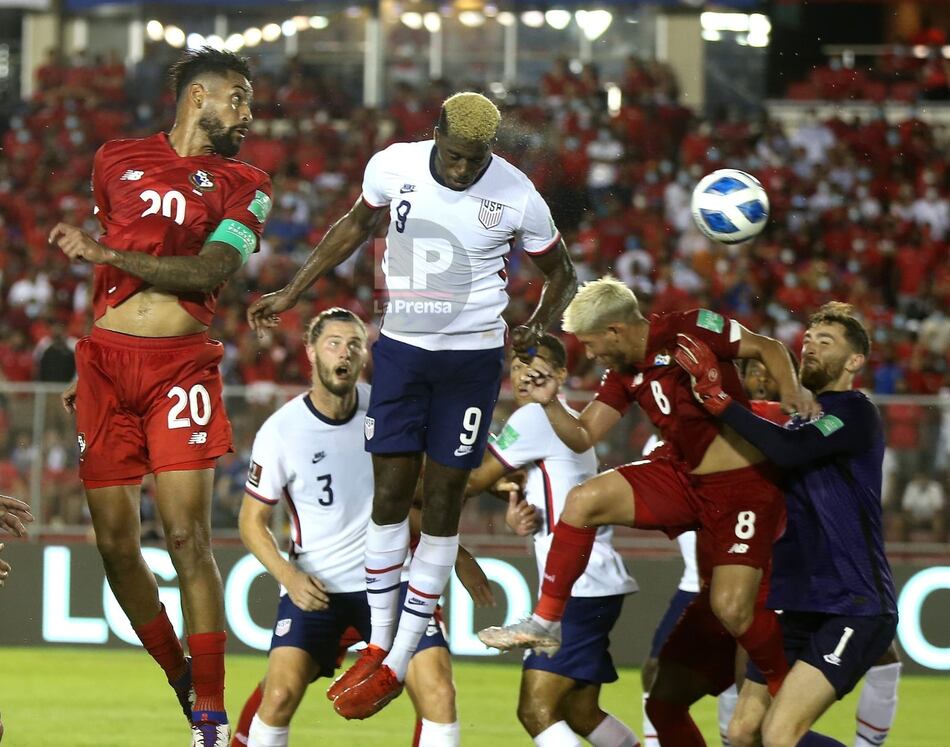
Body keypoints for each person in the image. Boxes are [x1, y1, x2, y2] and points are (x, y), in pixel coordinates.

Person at [247, 91, 577, 720]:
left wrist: (538, 325)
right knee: (391, 495)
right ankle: (379, 641)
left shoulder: (517, 194)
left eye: (474, 159)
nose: (461, 170)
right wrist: (293, 291)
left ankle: (392, 659)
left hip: (472, 363)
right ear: (435, 135)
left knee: (446, 500)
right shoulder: (392, 164)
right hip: (401, 351)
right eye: (453, 156)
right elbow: (354, 226)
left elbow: (563, 273)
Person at [478, 276, 819, 746]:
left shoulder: (692, 328)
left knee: (732, 609)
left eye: (594, 345)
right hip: (680, 474)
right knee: (583, 502)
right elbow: (582, 436)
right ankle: (547, 622)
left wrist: (792, 399)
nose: (592, 355)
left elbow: (768, 348)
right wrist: (549, 401)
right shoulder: (622, 372)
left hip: (741, 485)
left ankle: (786, 689)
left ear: (616, 331)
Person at [49, 47, 272, 746]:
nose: (247, 115)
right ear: (197, 96)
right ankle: (181, 674)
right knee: (116, 546)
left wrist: (108, 254)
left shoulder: (248, 182)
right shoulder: (114, 158)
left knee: (186, 537)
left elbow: (213, 267)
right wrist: (87, 370)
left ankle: (209, 713)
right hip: (107, 368)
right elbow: (105, 279)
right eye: (237, 99)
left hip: (180, 367)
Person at [232, 308, 491, 747]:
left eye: (354, 344)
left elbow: (414, 500)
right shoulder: (282, 430)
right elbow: (250, 521)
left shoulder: (388, 410)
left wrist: (458, 556)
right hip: (319, 588)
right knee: (278, 694)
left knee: (439, 693)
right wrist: (288, 576)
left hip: (395, 581)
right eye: (333, 342)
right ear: (311, 351)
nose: (344, 352)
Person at [673, 302, 898, 747]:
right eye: (809, 340)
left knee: (780, 735)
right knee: (743, 732)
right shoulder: (796, 420)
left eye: (826, 342)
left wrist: (720, 402)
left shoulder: (854, 412)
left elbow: (789, 451)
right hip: (798, 601)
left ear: (855, 361)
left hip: (851, 603)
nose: (810, 347)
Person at [465, 334, 639, 747]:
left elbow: (473, 481)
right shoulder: (564, 420)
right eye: (518, 364)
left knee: (535, 710)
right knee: (580, 711)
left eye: (536, 364)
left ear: (561, 375)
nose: (525, 374)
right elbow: (532, 485)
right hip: (594, 581)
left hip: (579, 587)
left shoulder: (535, 418)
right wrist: (520, 509)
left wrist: (411, 477)